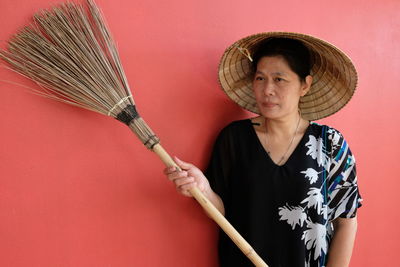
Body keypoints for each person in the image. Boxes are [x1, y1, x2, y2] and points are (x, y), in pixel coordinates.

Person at [164, 32, 362, 267]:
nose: (267, 89)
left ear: (305, 85)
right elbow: (223, 211)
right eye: (260, 78)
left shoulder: (330, 144)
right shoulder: (235, 138)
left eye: (279, 79)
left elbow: (346, 221)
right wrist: (203, 190)